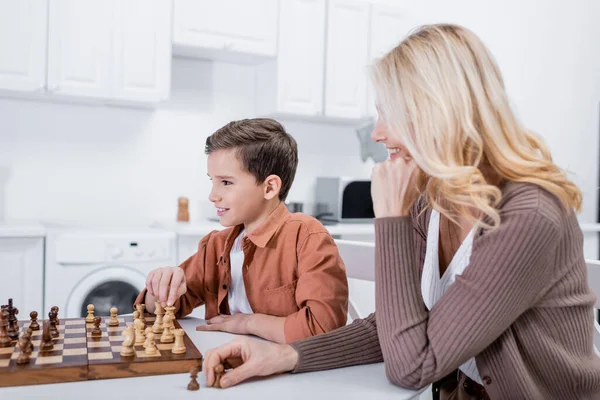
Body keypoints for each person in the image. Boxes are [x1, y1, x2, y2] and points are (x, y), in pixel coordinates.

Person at [200, 24, 600, 399]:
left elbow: (413, 364)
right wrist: (288, 357)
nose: (377, 133)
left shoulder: (528, 214)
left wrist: (390, 218)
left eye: (389, 112)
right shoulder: (434, 197)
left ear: (439, 111)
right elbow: (398, 328)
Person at [135, 118, 348, 344]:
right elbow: (161, 309)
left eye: (226, 182)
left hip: (288, 372)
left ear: (270, 187)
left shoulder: (306, 237)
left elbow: (325, 328)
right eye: (212, 181)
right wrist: (159, 290)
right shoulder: (215, 245)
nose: (212, 195)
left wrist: (247, 322)